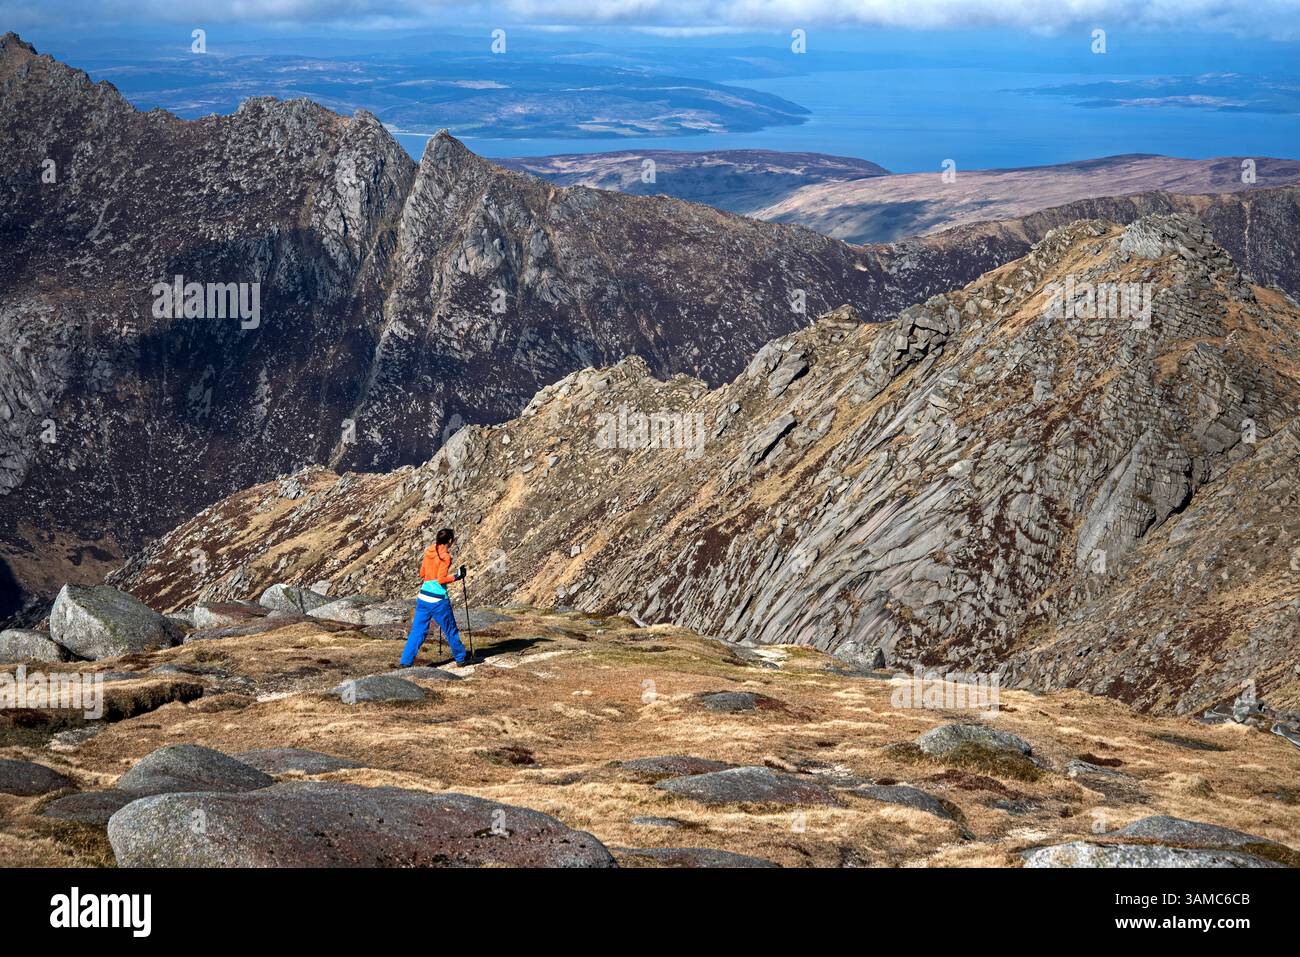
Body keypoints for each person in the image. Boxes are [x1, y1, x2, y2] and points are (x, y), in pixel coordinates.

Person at [398, 528, 470, 667]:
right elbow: (441, 580)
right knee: (450, 630)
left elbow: (422, 573)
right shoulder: (446, 557)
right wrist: (457, 576)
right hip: (438, 600)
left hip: (423, 597)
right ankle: (461, 658)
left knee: (417, 631)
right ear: (450, 541)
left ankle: (405, 662)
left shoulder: (429, 551)